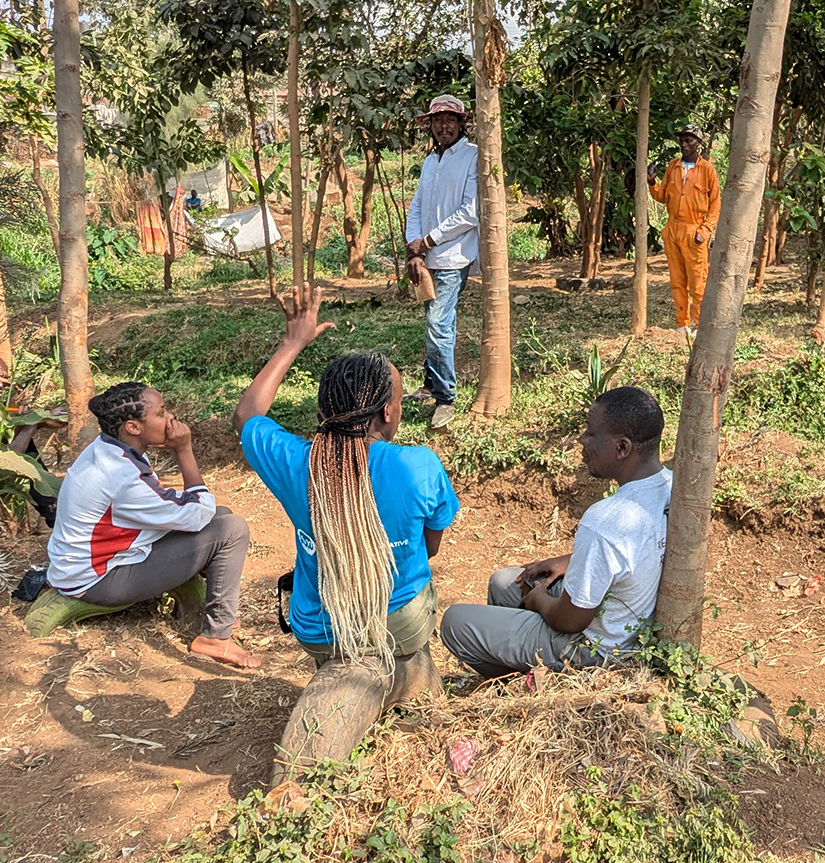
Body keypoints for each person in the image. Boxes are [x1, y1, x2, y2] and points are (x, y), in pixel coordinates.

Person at [234, 283, 459, 694]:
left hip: (319, 630)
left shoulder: (296, 462)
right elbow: (431, 547)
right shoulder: (417, 465)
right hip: (400, 625)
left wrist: (292, 343)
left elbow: (247, 414)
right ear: (390, 412)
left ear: (324, 411)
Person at [441, 387, 671, 677]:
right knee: (503, 582)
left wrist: (539, 600)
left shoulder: (607, 518)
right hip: (626, 625)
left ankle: (525, 684)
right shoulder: (671, 487)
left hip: (594, 649)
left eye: (590, 433)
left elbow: (570, 620)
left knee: (455, 622)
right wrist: (572, 560)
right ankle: (523, 667)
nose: (581, 440)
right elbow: (636, 551)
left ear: (622, 448)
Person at [46, 382, 259, 668]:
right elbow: (196, 512)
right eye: (161, 413)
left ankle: (215, 604)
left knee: (222, 516)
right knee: (232, 530)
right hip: (96, 579)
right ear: (133, 427)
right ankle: (215, 638)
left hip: (84, 564)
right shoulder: (123, 476)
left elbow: (194, 512)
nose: (170, 418)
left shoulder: (107, 448)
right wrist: (184, 450)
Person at [405, 94, 479, 430]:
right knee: (433, 321)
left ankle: (445, 398)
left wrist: (430, 240)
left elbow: (470, 212)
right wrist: (414, 245)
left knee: (439, 324)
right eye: (438, 120)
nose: (444, 125)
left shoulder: (473, 157)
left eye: (450, 119)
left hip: (452, 255)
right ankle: (432, 384)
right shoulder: (430, 162)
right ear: (430, 126)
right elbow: (417, 205)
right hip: (426, 258)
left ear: (463, 123)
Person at [648, 125, 721, 332]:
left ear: (698, 143)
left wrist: (704, 231)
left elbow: (715, 205)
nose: (684, 144)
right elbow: (662, 196)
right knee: (677, 280)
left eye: (689, 140)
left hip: (694, 231)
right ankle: (682, 324)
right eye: (682, 140)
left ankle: (699, 324)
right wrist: (651, 182)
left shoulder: (707, 170)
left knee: (698, 281)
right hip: (672, 230)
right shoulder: (673, 166)